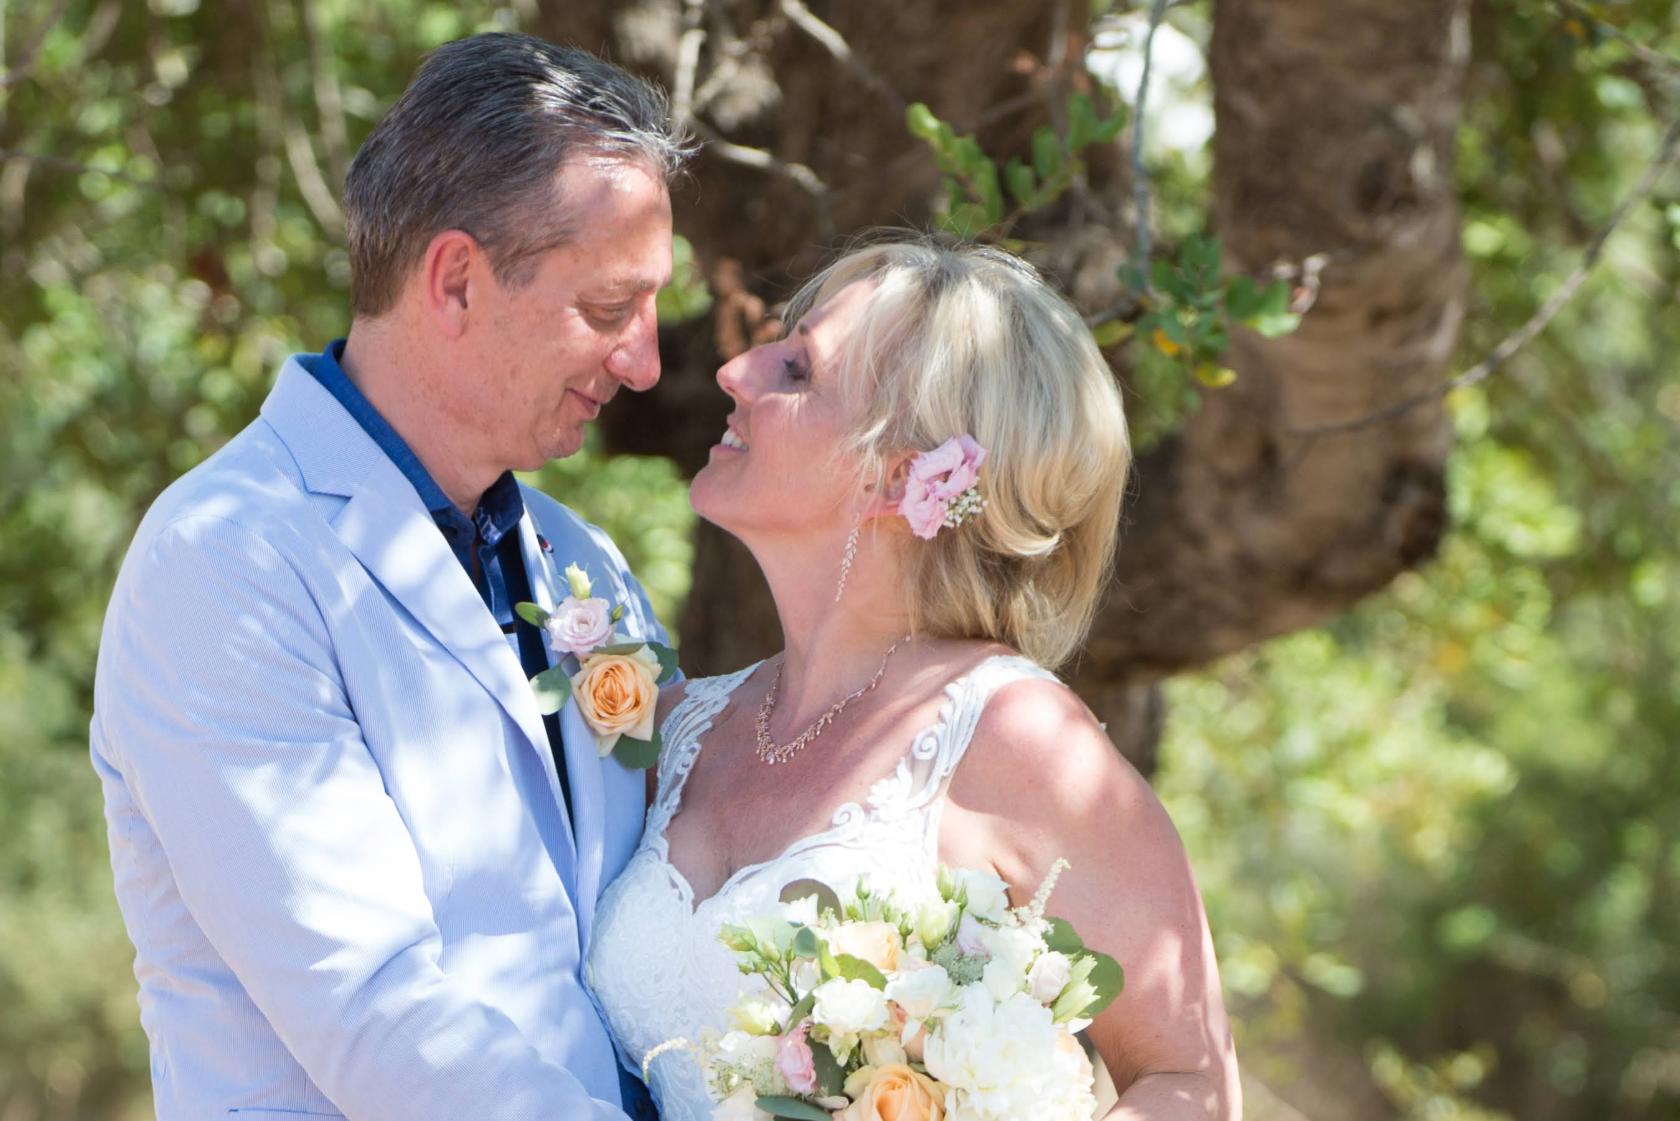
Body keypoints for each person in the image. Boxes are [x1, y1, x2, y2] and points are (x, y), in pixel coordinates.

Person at [90, 33, 685, 1121]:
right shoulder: (224, 560)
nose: (643, 363)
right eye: (609, 309)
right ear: (455, 281)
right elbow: (371, 1010)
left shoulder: (582, 562)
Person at [587, 237, 1240, 1119]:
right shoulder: (679, 726)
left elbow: (1193, 1080)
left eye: (797, 370)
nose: (735, 371)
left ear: (900, 477)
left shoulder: (1021, 740)